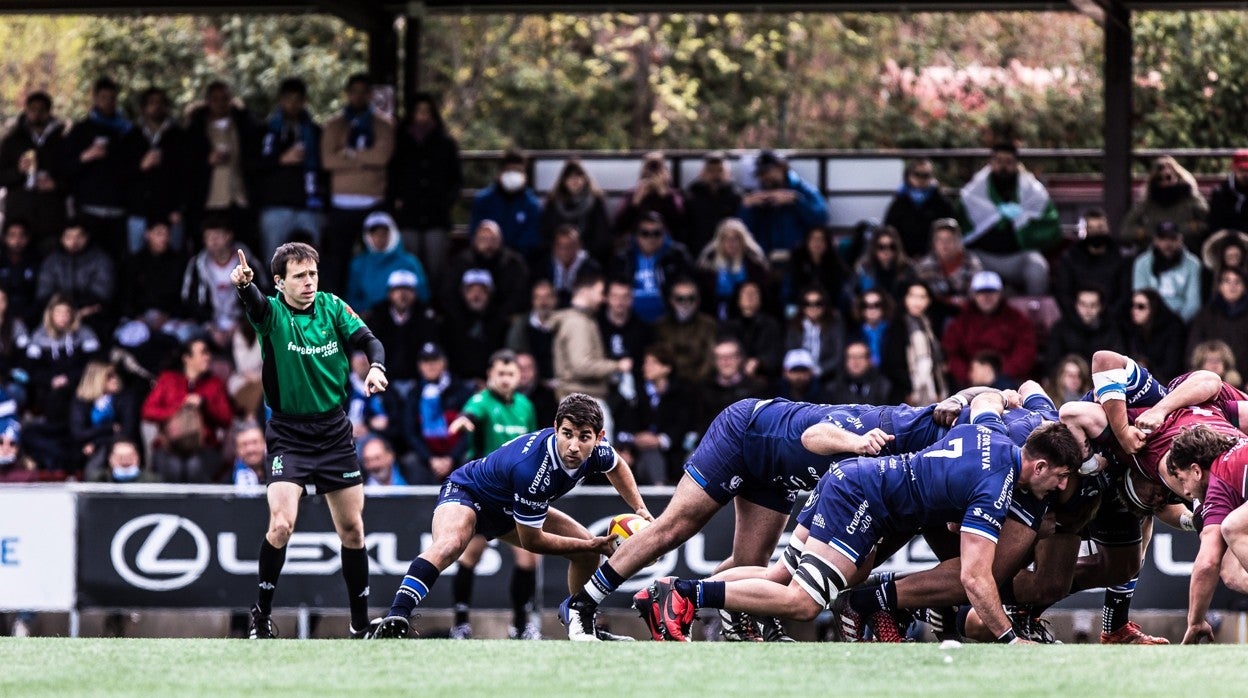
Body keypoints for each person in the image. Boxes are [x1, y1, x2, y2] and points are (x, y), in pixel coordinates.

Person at [635, 393, 1079, 643]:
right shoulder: (997, 483)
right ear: (1038, 465)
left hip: (853, 480)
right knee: (803, 604)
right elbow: (976, 578)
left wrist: (987, 396)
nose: (1059, 489)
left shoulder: (992, 429)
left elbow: (984, 398)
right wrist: (1010, 638)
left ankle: (675, 594)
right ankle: (683, 594)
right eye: (1058, 478)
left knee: (782, 576)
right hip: (862, 497)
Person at [371, 393, 650, 640]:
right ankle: (398, 615)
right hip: (469, 492)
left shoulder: (598, 453)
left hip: (510, 507)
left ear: (600, 437)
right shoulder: (533, 470)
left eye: (584, 437)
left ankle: (582, 624)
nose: (574, 446)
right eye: (567, 434)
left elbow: (617, 465)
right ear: (555, 429)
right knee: (451, 543)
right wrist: (594, 545)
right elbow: (532, 541)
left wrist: (639, 508)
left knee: (587, 553)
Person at [230, 241, 390, 639]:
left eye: (313, 274)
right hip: (288, 434)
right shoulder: (272, 314)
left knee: (352, 530)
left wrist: (376, 367)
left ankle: (358, 624)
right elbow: (255, 305)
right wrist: (245, 286)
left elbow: (371, 341)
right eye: (299, 276)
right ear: (280, 282)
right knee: (281, 525)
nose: (308, 283)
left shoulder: (333, 307)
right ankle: (261, 616)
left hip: (335, 433)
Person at [444, 349, 542, 640]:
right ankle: (460, 623)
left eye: (510, 374)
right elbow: (471, 412)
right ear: (489, 376)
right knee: (468, 556)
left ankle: (520, 625)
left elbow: (534, 447)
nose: (505, 379)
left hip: (515, 496)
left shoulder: (525, 405)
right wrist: (464, 420)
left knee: (528, 559)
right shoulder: (481, 400)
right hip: (483, 495)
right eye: (500, 373)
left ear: (518, 377)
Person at [1166, 425, 1248, 644]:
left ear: (1196, 470)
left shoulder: (1218, 485)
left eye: (1182, 480)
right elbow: (1230, 574)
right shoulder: (1236, 450)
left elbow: (1206, 563)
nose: (1185, 492)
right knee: (1232, 576)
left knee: (1232, 526)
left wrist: (1195, 622)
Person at [321, 74, 396, 296]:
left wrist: (348, 154)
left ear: (371, 95)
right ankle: (336, 310)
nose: (359, 96)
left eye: (365, 91)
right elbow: (328, 160)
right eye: (355, 91)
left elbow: (382, 157)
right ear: (348, 94)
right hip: (340, 205)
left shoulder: (383, 125)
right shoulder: (334, 125)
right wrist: (366, 159)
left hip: (372, 202)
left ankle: (372, 307)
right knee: (338, 261)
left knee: (374, 256)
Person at [958, 143, 1059, 295]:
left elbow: (1049, 224)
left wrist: (1023, 221)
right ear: (991, 163)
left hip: (1018, 257)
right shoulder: (974, 192)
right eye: (999, 161)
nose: (1003, 166)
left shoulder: (1033, 192)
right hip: (983, 257)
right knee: (967, 267)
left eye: (1009, 162)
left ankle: (1036, 312)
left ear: (1017, 164)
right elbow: (961, 226)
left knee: (1038, 266)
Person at [389, 92, 462, 284]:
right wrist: (397, 200)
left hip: (436, 216)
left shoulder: (446, 144)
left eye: (427, 111)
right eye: (419, 111)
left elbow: (456, 180)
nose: (423, 115)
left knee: (436, 266)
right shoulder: (401, 143)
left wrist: (445, 203)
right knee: (409, 265)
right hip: (408, 215)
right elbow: (393, 176)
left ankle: (435, 308)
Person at [140, 338, 234, 483]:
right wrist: (179, 408)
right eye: (203, 353)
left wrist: (204, 404)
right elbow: (147, 411)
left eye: (208, 353)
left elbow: (226, 418)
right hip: (169, 446)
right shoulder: (168, 379)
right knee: (173, 467)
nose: (207, 357)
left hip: (204, 447)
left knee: (194, 467)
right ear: (187, 358)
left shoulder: (215, 384)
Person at [550, 270, 630, 438]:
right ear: (586, 291)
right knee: (593, 461)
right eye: (600, 292)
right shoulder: (577, 323)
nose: (603, 299)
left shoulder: (583, 320)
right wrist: (617, 366)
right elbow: (581, 366)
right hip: (582, 405)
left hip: (583, 402)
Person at [184, 80, 259, 251]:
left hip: (239, 199)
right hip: (208, 201)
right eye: (215, 99)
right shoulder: (195, 129)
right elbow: (185, 166)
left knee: (242, 250)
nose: (220, 103)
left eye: (224, 98)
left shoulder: (245, 125)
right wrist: (206, 160)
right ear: (208, 101)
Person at [256, 77, 325, 260]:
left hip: (309, 205)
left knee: (311, 263)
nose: (293, 104)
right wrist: (281, 159)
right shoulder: (265, 130)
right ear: (280, 99)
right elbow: (252, 165)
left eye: (297, 99)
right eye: (288, 99)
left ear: (304, 101)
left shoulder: (315, 131)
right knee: (274, 264)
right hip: (275, 206)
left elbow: (324, 169)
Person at [64, 77, 132, 262]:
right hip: (90, 209)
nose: (108, 102)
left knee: (118, 261)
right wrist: (85, 157)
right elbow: (65, 168)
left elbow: (134, 168)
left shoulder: (127, 131)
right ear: (94, 99)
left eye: (112, 97)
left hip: (119, 209)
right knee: (89, 259)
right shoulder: (81, 130)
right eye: (103, 97)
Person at [121, 87, 187, 254]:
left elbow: (188, 175)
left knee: (173, 258)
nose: (156, 107)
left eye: (160, 103)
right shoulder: (131, 136)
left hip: (170, 211)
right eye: (151, 103)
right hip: (139, 211)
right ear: (143, 108)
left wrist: (179, 207)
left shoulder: (178, 136)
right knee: (136, 259)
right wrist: (140, 166)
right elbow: (119, 174)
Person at [942, 271, 1036, 388]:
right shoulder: (961, 321)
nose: (986, 297)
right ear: (974, 295)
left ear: (1000, 294)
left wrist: (998, 373)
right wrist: (970, 374)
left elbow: (1026, 351)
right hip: (969, 381)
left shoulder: (1017, 319)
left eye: (991, 292)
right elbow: (952, 353)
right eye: (981, 292)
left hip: (1007, 379)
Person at [0, 91, 67, 245]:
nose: (37, 114)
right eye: (33, 109)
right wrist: (18, 171)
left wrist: (56, 184)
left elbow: (73, 176)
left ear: (49, 112)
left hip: (51, 217)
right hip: (19, 217)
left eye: (42, 110)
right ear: (26, 111)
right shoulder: (12, 140)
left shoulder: (62, 141)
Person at [181, 216, 266, 332]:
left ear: (229, 236)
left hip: (243, 325)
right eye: (208, 237)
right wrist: (210, 327)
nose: (213, 241)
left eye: (218, 236)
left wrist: (241, 324)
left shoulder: (249, 262)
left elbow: (262, 296)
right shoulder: (197, 264)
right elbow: (189, 300)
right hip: (208, 326)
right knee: (185, 332)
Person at [608, 210, 693, 324]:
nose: (651, 238)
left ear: (664, 234)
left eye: (656, 233)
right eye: (645, 233)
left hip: (668, 320)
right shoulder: (622, 258)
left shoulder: (677, 256)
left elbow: (689, 287)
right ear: (636, 235)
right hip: (630, 321)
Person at [739, 150, 828, 255]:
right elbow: (742, 231)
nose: (764, 178)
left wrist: (796, 202)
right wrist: (746, 208)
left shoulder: (802, 189)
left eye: (767, 172)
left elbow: (821, 218)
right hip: (765, 258)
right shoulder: (756, 197)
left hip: (797, 257)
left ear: (782, 168)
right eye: (760, 174)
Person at [36, 221, 115, 337]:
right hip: (58, 316)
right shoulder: (51, 261)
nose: (74, 241)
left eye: (79, 236)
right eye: (69, 237)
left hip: (91, 315)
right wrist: (67, 311)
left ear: (87, 237)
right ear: (62, 238)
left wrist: (78, 311)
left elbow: (102, 293)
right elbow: (43, 293)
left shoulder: (100, 259)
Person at [469, 149, 543, 267]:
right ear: (499, 174)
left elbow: (531, 240)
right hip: (485, 258)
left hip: (519, 262)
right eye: (509, 170)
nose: (514, 175)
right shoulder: (483, 200)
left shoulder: (532, 205)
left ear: (525, 176)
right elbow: (475, 233)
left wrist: (508, 256)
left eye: (518, 171)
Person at [1121, 155, 1208, 253]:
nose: (1165, 181)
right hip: (1153, 251)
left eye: (1168, 177)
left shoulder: (1190, 198)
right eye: (1159, 179)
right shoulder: (1147, 201)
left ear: (1177, 176)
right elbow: (1126, 230)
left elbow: (1209, 221)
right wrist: (1149, 232)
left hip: (1187, 249)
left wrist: (1190, 228)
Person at [1053, 209, 1131, 319]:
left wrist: (1107, 318)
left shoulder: (1121, 258)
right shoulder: (1070, 258)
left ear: (1107, 229)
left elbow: (1125, 295)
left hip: (1113, 322)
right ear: (1085, 231)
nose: (1096, 233)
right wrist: (1079, 317)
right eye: (1091, 228)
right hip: (1077, 320)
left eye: (1100, 228)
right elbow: (1063, 294)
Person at [346, 211, 430, 312]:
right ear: (367, 236)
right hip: (370, 320)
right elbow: (352, 298)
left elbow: (423, 295)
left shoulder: (409, 262)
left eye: (384, 234)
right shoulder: (358, 264)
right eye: (375, 234)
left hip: (401, 319)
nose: (379, 238)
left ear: (393, 234)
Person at [443, 220, 530, 318]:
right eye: (483, 239)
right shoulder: (461, 262)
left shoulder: (513, 263)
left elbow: (518, 296)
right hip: (464, 318)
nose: (488, 244)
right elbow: (449, 293)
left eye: (493, 239)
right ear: (475, 240)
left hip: (502, 318)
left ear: (500, 241)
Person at [913, 217, 983, 329]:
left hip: (967, 311)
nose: (944, 244)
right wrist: (947, 300)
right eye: (939, 240)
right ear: (934, 243)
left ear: (958, 241)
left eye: (949, 239)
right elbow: (921, 295)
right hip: (936, 313)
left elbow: (977, 293)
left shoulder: (971, 262)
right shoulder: (924, 266)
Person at [70, 361, 135, 479]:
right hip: (85, 450)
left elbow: (126, 432)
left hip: (117, 447)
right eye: (109, 377)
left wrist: (95, 443)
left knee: (104, 455)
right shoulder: (81, 401)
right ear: (97, 379)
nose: (115, 379)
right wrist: (109, 428)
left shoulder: (125, 399)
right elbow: (78, 433)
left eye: (115, 375)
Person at [441, 269, 509, 383]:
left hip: (491, 383)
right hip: (457, 383)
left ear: (489, 293)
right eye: (471, 290)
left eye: (481, 291)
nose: (476, 295)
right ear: (464, 293)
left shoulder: (499, 321)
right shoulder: (451, 320)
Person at [694, 218, 769, 321]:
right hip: (713, 314)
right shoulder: (707, 265)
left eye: (736, 239)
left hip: (746, 316)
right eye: (726, 239)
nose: (731, 243)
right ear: (720, 241)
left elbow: (762, 295)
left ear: (743, 241)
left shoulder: (755, 265)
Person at [883, 157, 959, 258]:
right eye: (917, 174)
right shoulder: (899, 202)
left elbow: (952, 232)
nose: (921, 179)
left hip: (936, 258)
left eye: (926, 175)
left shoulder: (941, 202)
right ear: (909, 175)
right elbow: (889, 230)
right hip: (904, 258)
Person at [540, 159, 611, 264]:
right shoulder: (553, 203)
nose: (574, 180)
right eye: (570, 176)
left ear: (585, 179)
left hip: (587, 257)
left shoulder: (596, 202)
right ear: (563, 180)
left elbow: (602, 237)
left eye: (578, 176)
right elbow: (545, 234)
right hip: (557, 258)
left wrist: (580, 252)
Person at [1132, 220, 1203, 323]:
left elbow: (1193, 303)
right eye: (1163, 239)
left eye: (1172, 239)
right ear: (1155, 240)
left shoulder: (1193, 264)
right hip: (1150, 321)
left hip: (1181, 321)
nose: (1167, 244)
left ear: (1180, 239)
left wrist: (1177, 323)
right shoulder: (1141, 263)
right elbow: (1140, 297)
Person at [846, 289, 909, 403]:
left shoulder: (896, 331)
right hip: (862, 391)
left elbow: (901, 364)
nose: (871, 309)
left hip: (893, 389)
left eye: (876, 305)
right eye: (866, 305)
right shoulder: (854, 334)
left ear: (884, 307)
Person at [653, 278, 718, 384]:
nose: (686, 303)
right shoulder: (660, 327)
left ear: (698, 301)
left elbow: (711, 358)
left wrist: (698, 382)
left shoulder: (709, 326)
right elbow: (658, 359)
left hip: (702, 385)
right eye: (680, 299)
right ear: (672, 301)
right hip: (669, 385)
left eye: (691, 298)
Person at [613, 152, 687, 246]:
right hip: (636, 244)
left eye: (657, 169)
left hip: (665, 244)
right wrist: (635, 203)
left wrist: (665, 196)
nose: (653, 174)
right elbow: (618, 224)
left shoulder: (672, 195)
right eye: (650, 169)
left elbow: (680, 222)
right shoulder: (632, 195)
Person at [120, 218, 187, 319]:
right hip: (139, 315)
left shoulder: (177, 262)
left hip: (168, 316)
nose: (164, 238)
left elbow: (180, 296)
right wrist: (137, 316)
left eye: (167, 234)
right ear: (147, 234)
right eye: (159, 234)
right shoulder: (135, 261)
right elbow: (127, 295)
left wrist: (167, 315)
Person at [1043, 286, 1125, 369]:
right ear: (1076, 305)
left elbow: (1117, 362)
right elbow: (1052, 362)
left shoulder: (1111, 330)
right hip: (1069, 378)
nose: (1088, 310)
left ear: (1101, 307)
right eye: (1083, 304)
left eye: (1093, 305)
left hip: (1100, 378)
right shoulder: (1061, 329)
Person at [897, 281, 949, 405]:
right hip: (906, 394)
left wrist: (937, 389)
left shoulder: (930, 325)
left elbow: (935, 362)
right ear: (905, 298)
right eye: (913, 296)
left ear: (929, 301)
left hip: (933, 391)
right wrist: (908, 390)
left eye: (922, 297)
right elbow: (893, 364)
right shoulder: (898, 325)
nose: (917, 301)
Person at [1188, 267, 1248, 373]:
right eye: (1227, 281)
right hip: (1210, 376)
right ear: (1219, 286)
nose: (1232, 286)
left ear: (1244, 287)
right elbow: (1194, 347)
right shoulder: (1205, 315)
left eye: (1237, 281)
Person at [684, 151, 743, 258]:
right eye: (710, 171)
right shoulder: (690, 196)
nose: (715, 175)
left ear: (728, 173)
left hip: (728, 253)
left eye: (720, 171)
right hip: (698, 252)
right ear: (701, 173)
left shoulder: (736, 196)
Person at [1121, 289, 1186, 384]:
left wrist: (1147, 367)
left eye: (1141, 307)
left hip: (1167, 384)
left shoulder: (1173, 329)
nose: (1134, 311)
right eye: (1133, 305)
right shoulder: (1131, 329)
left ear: (1153, 307)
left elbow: (1172, 367)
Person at [722, 280, 783, 380]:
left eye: (754, 293)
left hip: (764, 376)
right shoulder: (727, 326)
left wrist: (759, 362)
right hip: (733, 376)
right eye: (745, 293)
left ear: (761, 299)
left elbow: (775, 354)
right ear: (738, 299)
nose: (749, 297)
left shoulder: (771, 324)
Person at [784, 286, 845, 380]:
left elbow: (838, 356)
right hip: (798, 375)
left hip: (827, 376)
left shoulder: (835, 326)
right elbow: (790, 353)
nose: (813, 307)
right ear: (802, 306)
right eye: (807, 304)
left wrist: (818, 370)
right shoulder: (793, 327)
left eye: (818, 304)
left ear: (825, 306)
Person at [701, 338, 766, 420]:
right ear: (714, 361)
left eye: (730, 356)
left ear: (739, 359)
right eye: (721, 357)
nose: (726, 362)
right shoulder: (704, 389)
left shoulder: (756, 388)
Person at [506, 280, 558, 382]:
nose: (543, 302)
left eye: (547, 297)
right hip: (530, 384)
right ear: (533, 301)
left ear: (555, 300)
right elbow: (515, 355)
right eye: (538, 298)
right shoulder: (521, 326)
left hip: (560, 383)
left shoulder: (564, 324)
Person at [538, 225, 602, 308]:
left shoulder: (592, 268)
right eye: (561, 246)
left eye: (570, 246)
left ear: (579, 246)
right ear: (554, 247)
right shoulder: (543, 266)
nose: (565, 251)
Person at [847, 225, 915, 303]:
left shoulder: (907, 269)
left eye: (892, 247)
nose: (887, 251)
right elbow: (850, 293)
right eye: (881, 247)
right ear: (874, 248)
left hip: (899, 313)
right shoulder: (863, 269)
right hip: (870, 311)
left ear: (897, 248)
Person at [785, 225, 848, 309]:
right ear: (807, 242)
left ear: (827, 243)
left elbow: (839, 294)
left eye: (821, 240)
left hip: (828, 310)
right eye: (814, 239)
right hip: (800, 309)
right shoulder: (797, 262)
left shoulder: (836, 265)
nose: (817, 243)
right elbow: (788, 291)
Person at [823, 340, 892, 406]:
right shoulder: (832, 389)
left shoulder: (884, 386)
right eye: (851, 357)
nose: (856, 361)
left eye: (860, 357)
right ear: (845, 361)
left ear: (869, 360)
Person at [0, 219, 41, 325]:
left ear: (28, 238)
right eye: (12, 236)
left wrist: (27, 315)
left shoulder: (36, 260)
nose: (17, 240)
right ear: (4, 238)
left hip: (31, 316)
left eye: (22, 236)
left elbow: (40, 293)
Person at [1207, 148, 1248, 236]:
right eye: (1241, 170)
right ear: (1233, 168)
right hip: (1226, 239)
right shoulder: (1220, 192)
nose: (1245, 174)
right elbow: (1215, 224)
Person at [232, 422, 267, 487]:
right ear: (237, 450)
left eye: (255, 442)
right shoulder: (228, 483)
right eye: (244, 444)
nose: (250, 449)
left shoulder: (279, 471)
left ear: (264, 443)